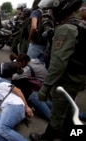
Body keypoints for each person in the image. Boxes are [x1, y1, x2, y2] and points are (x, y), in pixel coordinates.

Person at [29, 0, 86, 140]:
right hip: (76, 77)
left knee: (57, 114)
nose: (50, 14)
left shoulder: (66, 29)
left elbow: (58, 63)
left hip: (65, 80)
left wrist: (45, 87)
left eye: (52, 10)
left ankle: (47, 138)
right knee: (67, 111)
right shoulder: (80, 25)